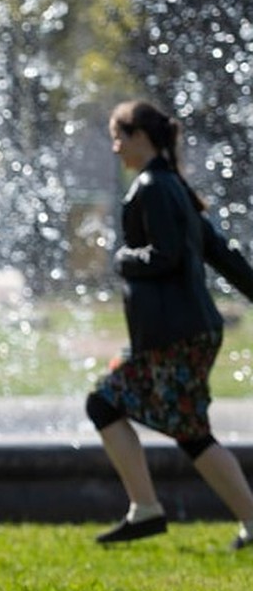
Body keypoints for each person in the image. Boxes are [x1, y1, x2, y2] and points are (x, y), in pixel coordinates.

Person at [88, 99, 253, 551]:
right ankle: (237, 519)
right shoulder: (173, 185)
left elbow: (167, 256)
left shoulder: (153, 187)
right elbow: (220, 253)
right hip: (188, 331)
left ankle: (146, 509)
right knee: (190, 431)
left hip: (174, 335)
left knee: (104, 406)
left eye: (119, 137)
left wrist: (122, 258)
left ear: (142, 137)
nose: (116, 147)